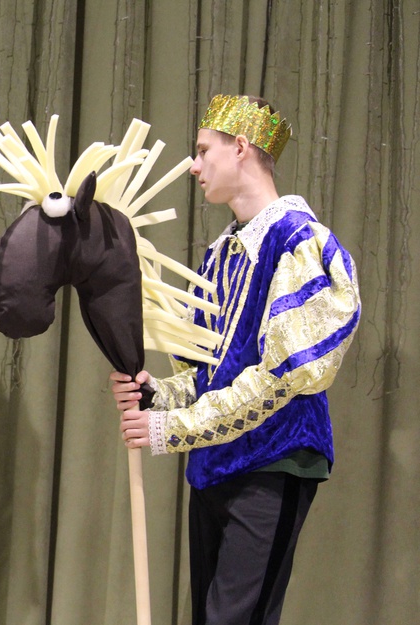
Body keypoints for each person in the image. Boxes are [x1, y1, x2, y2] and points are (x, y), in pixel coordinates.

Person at [110, 95, 360, 625]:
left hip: (273, 456)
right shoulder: (221, 254)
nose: (194, 165)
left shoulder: (296, 241)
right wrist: (158, 395)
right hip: (215, 463)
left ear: (241, 148)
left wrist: (170, 428)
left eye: (204, 151)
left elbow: (277, 380)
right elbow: (210, 373)